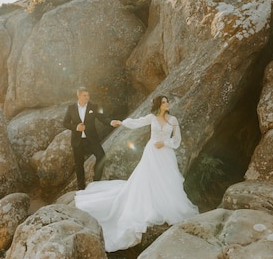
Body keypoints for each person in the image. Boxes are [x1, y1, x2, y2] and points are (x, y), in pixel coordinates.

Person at [74, 95, 199, 252]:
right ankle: (149, 203)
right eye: (164, 102)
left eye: (167, 102)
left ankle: (165, 204)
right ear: (158, 105)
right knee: (148, 178)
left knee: (167, 180)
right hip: (151, 152)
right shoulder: (152, 117)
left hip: (166, 154)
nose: (167, 104)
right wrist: (122, 122)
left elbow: (177, 140)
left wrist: (166, 142)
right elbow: (137, 122)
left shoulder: (173, 120)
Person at [63, 87, 121, 190]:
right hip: (77, 141)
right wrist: (76, 127)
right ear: (79, 95)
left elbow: (102, 117)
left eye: (88, 95)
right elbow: (65, 123)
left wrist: (111, 122)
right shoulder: (71, 108)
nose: (87, 97)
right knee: (79, 165)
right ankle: (81, 188)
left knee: (101, 156)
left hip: (91, 139)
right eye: (84, 95)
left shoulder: (94, 106)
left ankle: (96, 181)